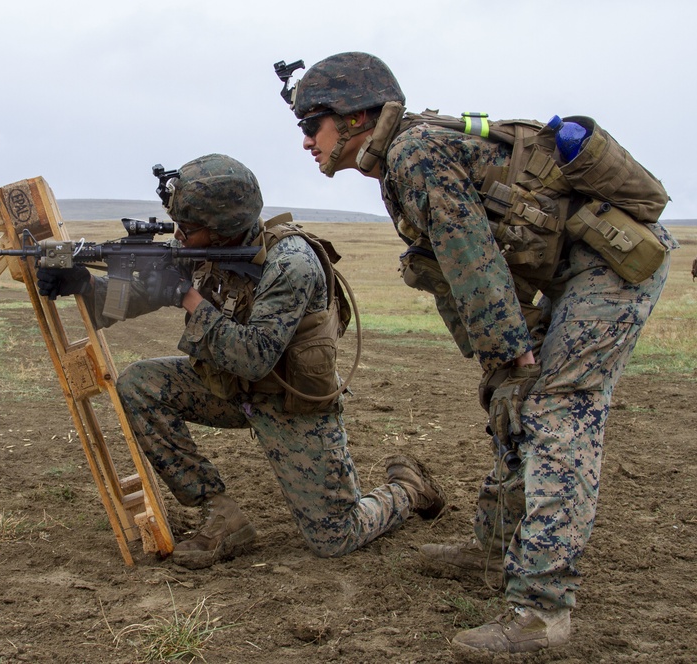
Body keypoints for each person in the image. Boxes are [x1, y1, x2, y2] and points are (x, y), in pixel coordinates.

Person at [276, 52, 678, 654]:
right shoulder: (400, 160)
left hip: (612, 265)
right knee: (511, 404)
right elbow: (454, 263)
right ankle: (493, 551)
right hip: (567, 274)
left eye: (313, 125)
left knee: (556, 413)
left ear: (355, 117)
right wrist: (502, 363)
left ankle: (542, 611)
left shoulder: (413, 154)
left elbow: (472, 259)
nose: (306, 142)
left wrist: (509, 356)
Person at [36, 153, 445, 570]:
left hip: (292, 401)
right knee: (140, 384)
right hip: (230, 390)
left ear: (223, 228)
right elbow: (141, 295)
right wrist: (86, 284)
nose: (179, 235)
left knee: (335, 537)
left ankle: (407, 489)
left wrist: (186, 297)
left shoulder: (291, 263)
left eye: (189, 229)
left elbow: (255, 357)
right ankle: (220, 513)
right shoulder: (203, 248)